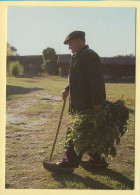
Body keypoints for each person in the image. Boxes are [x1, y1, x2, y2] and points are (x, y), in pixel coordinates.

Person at [43, 31, 107, 173]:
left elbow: (96, 81)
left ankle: (68, 164)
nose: (69, 47)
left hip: (87, 105)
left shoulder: (89, 55)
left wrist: (97, 103)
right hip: (79, 104)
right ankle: (97, 161)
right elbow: (77, 77)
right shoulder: (77, 56)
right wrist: (67, 89)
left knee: (75, 133)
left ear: (79, 40)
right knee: (90, 132)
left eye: (70, 43)